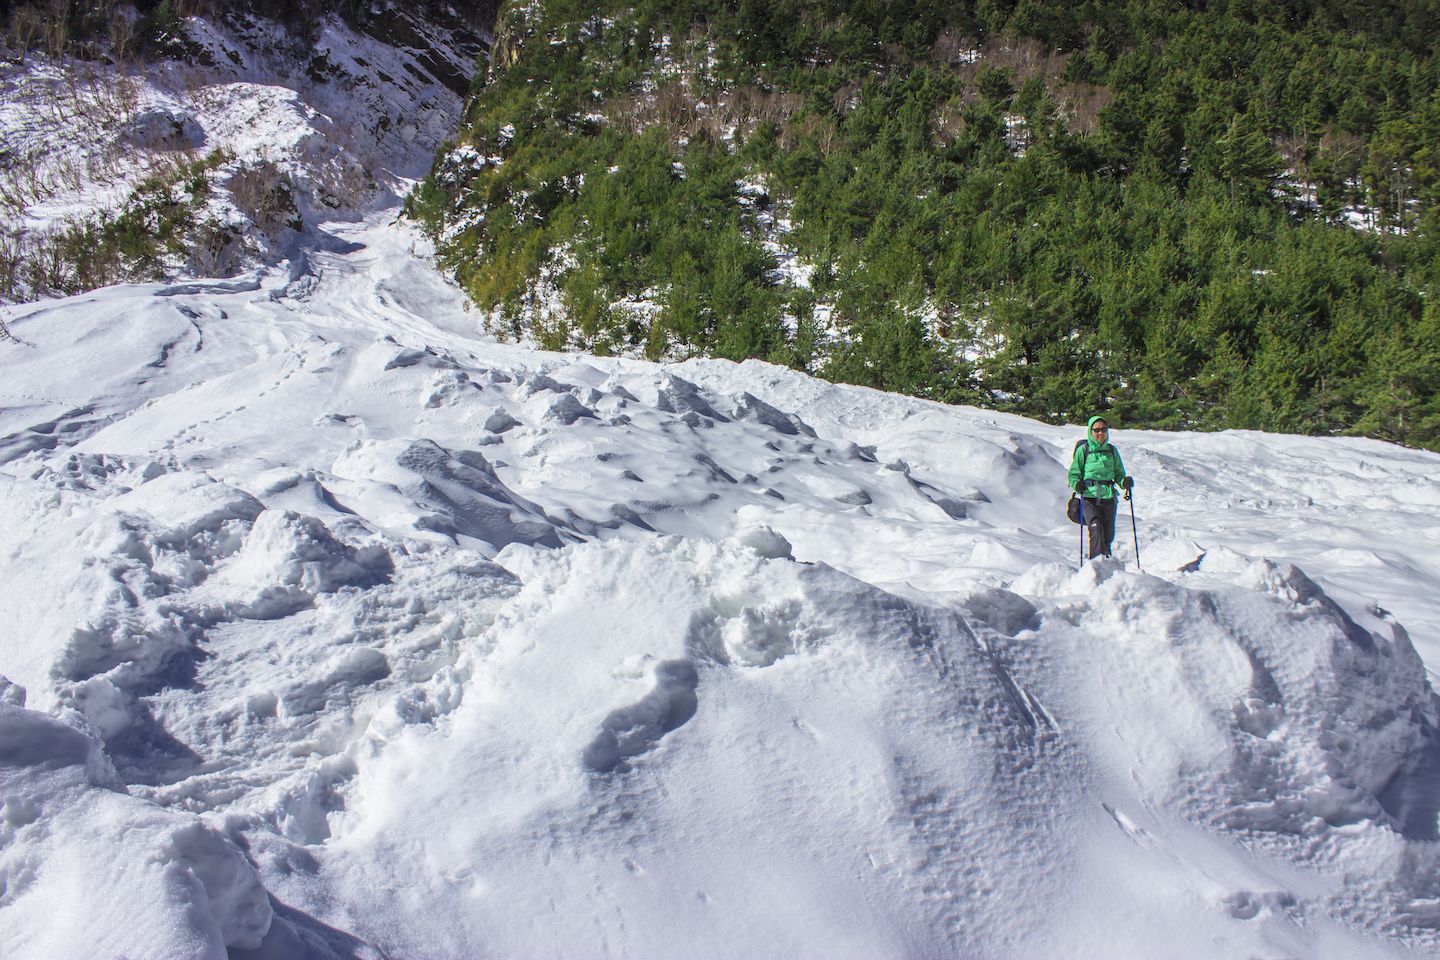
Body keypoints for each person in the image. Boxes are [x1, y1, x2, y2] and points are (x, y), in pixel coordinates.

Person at [1067, 415, 1133, 559]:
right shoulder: (1083, 450)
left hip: (1108, 496)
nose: (1100, 433)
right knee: (1096, 528)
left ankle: (1106, 562)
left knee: (1108, 533)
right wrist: (1076, 484)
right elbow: (1073, 474)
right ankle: (1096, 564)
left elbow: (1119, 474)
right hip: (1089, 496)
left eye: (1103, 429)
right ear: (1090, 432)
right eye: (1096, 430)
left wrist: (1124, 483)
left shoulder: (1112, 451)